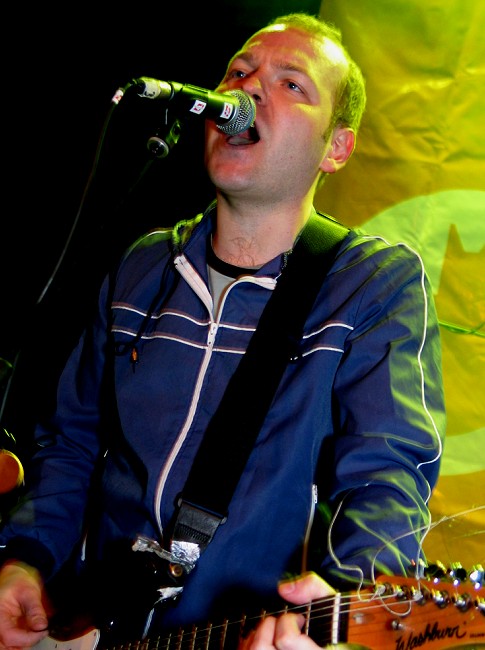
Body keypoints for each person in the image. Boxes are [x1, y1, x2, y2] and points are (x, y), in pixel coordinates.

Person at [0, 12, 445, 650]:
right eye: (239, 71)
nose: (248, 87)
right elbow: (70, 442)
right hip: (91, 626)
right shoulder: (142, 265)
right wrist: (27, 558)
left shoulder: (370, 283)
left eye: (292, 84)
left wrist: (348, 599)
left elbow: (386, 475)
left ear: (336, 149)